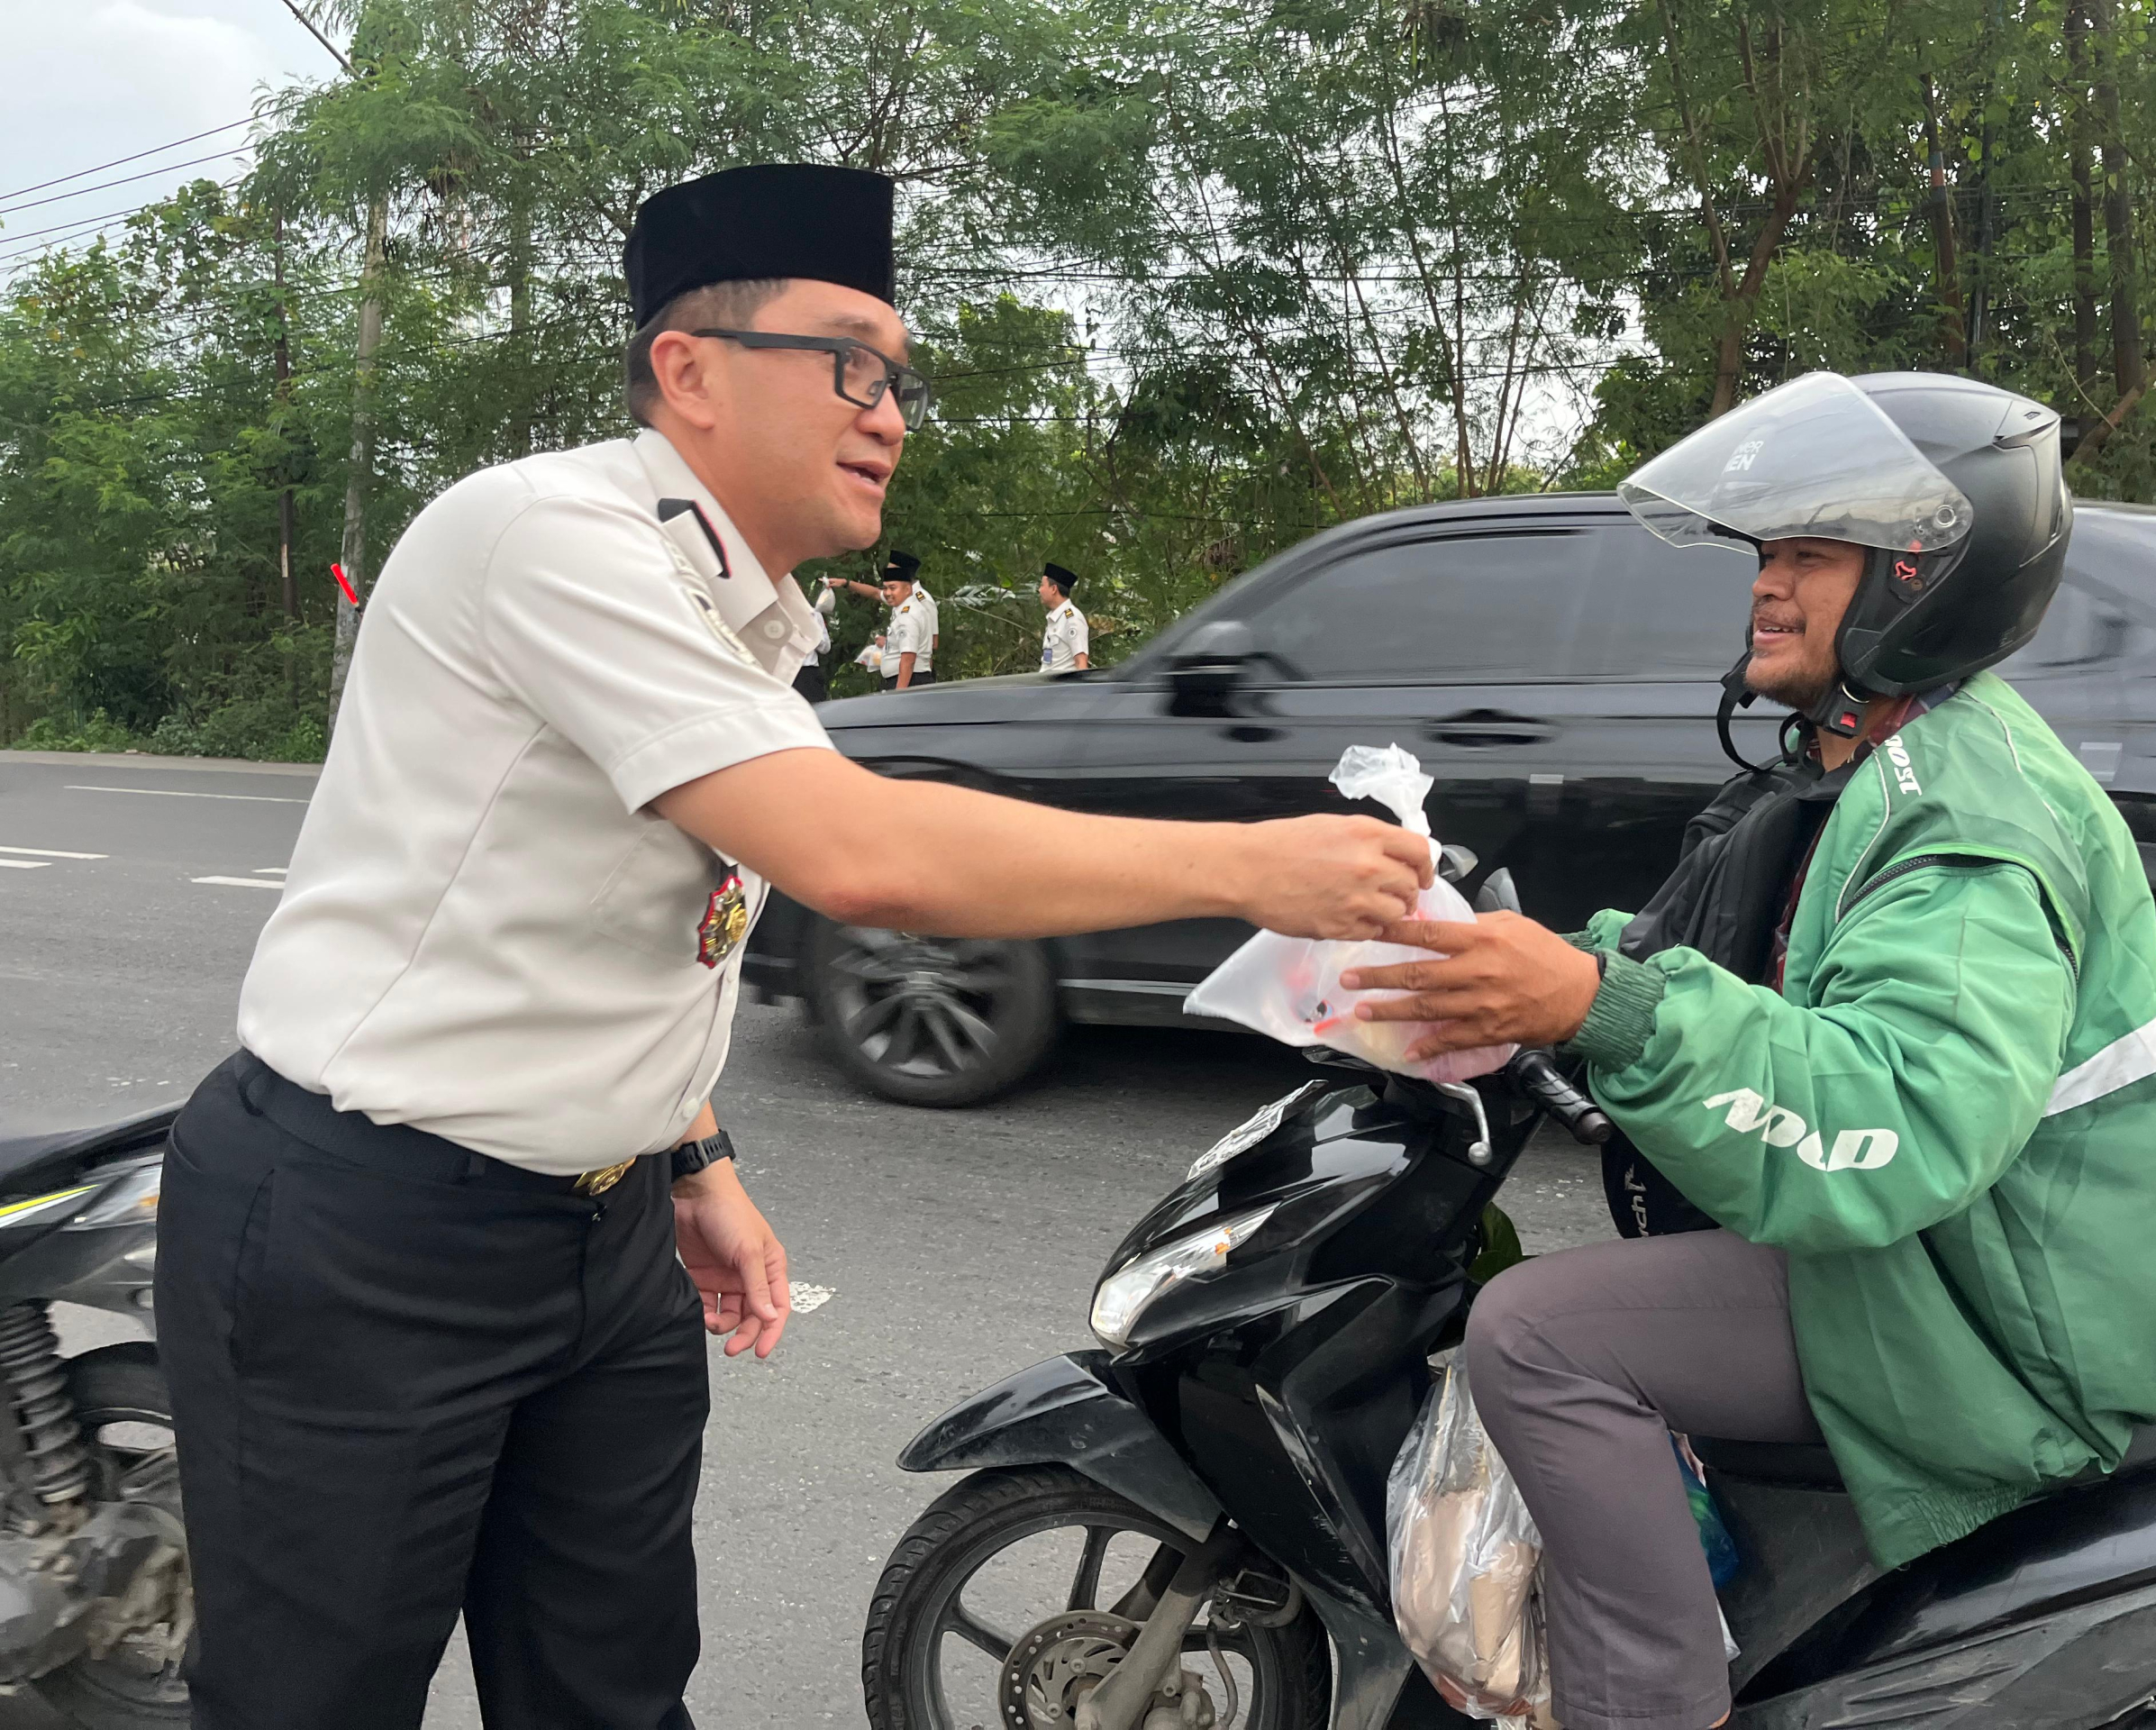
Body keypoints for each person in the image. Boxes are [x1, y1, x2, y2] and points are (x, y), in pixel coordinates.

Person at [154, 161, 1431, 1730]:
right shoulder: (547, 536)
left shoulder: (746, 619)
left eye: (900, 377)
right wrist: (1256, 865)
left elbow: (629, 923)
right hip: (368, 1228)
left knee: (612, 1691)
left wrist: (692, 1159)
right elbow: (860, 854)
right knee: (313, 1699)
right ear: (686, 370)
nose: (889, 410)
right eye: (848, 363)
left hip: (600, 1240)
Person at [1340, 371, 2156, 1730]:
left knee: (1533, 1336)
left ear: (1924, 579)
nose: (1766, 587)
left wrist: (1604, 1008)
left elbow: (1902, 1118)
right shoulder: (1878, 759)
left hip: (2000, 1319)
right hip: (1954, 1260)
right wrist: (1544, 964)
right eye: (1766, 554)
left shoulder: (1969, 824)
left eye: (1809, 556)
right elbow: (1763, 965)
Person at [884, 554, 935, 688]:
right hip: (910, 678)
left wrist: (899, 695)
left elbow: (908, 659)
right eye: (886, 588)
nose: (887, 593)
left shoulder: (908, 615)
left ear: (907, 589)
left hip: (910, 679)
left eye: (892, 588)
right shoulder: (902, 608)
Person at [1038, 560, 1090, 671]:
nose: (1039, 590)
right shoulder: (1054, 618)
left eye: (1042, 585)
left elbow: (1081, 661)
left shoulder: (1072, 618)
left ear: (1053, 589)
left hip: (1061, 687)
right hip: (1047, 685)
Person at [791, 578, 836, 703]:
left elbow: (826, 648)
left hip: (808, 673)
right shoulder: (776, 615)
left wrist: (812, 633)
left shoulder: (814, 614)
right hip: (785, 673)